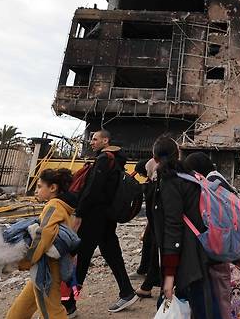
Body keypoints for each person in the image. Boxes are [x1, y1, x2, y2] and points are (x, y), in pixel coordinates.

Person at [152, 137, 222, 319]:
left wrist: (169, 275)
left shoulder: (170, 181)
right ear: (178, 154)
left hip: (187, 254)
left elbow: (172, 226)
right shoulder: (190, 176)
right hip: (201, 246)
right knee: (202, 299)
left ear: (155, 157)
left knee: (183, 300)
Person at [73, 129, 136, 313]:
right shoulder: (117, 160)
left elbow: (93, 189)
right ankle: (126, 291)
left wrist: (79, 212)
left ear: (105, 140)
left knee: (82, 257)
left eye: (95, 139)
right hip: (108, 215)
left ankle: (69, 303)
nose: (91, 142)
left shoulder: (103, 159)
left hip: (95, 216)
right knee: (112, 253)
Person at [6, 168, 76, 319]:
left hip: (47, 267)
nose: (36, 190)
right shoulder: (64, 207)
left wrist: (26, 261)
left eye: (39, 186)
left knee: (50, 311)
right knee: (25, 303)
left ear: (52, 188)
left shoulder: (53, 206)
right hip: (49, 265)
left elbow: (42, 237)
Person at [131, 158, 161, 302]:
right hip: (157, 226)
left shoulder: (156, 186)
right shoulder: (156, 184)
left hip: (163, 229)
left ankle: (149, 285)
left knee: (157, 253)